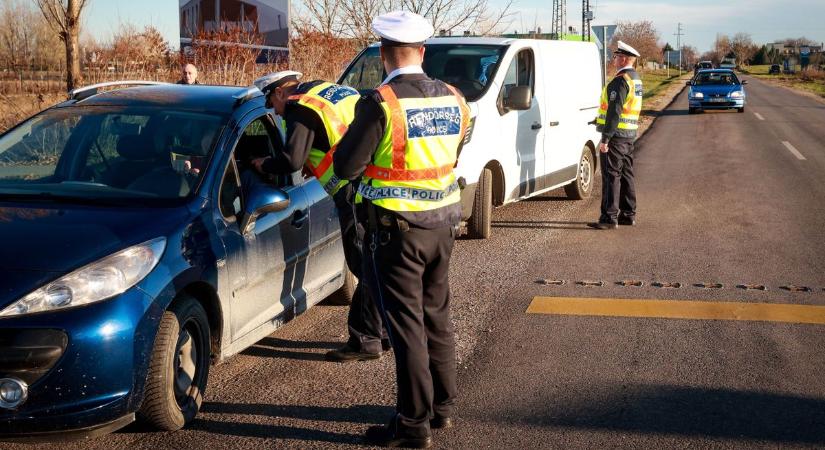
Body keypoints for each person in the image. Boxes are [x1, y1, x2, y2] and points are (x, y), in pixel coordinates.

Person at [333, 10, 470, 448]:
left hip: (398, 232)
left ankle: (413, 424)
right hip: (444, 226)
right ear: (423, 52)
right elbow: (451, 153)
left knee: (407, 328)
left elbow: (346, 166)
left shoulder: (380, 103)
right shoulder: (454, 98)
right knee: (437, 318)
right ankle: (442, 408)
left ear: (383, 55)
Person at [251, 71, 390, 362]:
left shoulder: (299, 107)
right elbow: (336, 135)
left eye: (271, 105)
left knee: (362, 263)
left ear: (278, 93)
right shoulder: (329, 90)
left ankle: (366, 340)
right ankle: (385, 331)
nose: (276, 113)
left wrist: (263, 163)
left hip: (351, 191)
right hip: (374, 183)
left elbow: (291, 160)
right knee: (372, 261)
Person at [588, 40, 643, 230]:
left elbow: (614, 111)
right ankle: (628, 214)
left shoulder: (620, 80)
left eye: (617, 57)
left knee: (611, 176)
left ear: (624, 59)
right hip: (628, 135)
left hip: (616, 136)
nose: (614, 60)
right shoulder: (635, 79)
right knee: (627, 175)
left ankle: (609, 218)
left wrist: (605, 139)